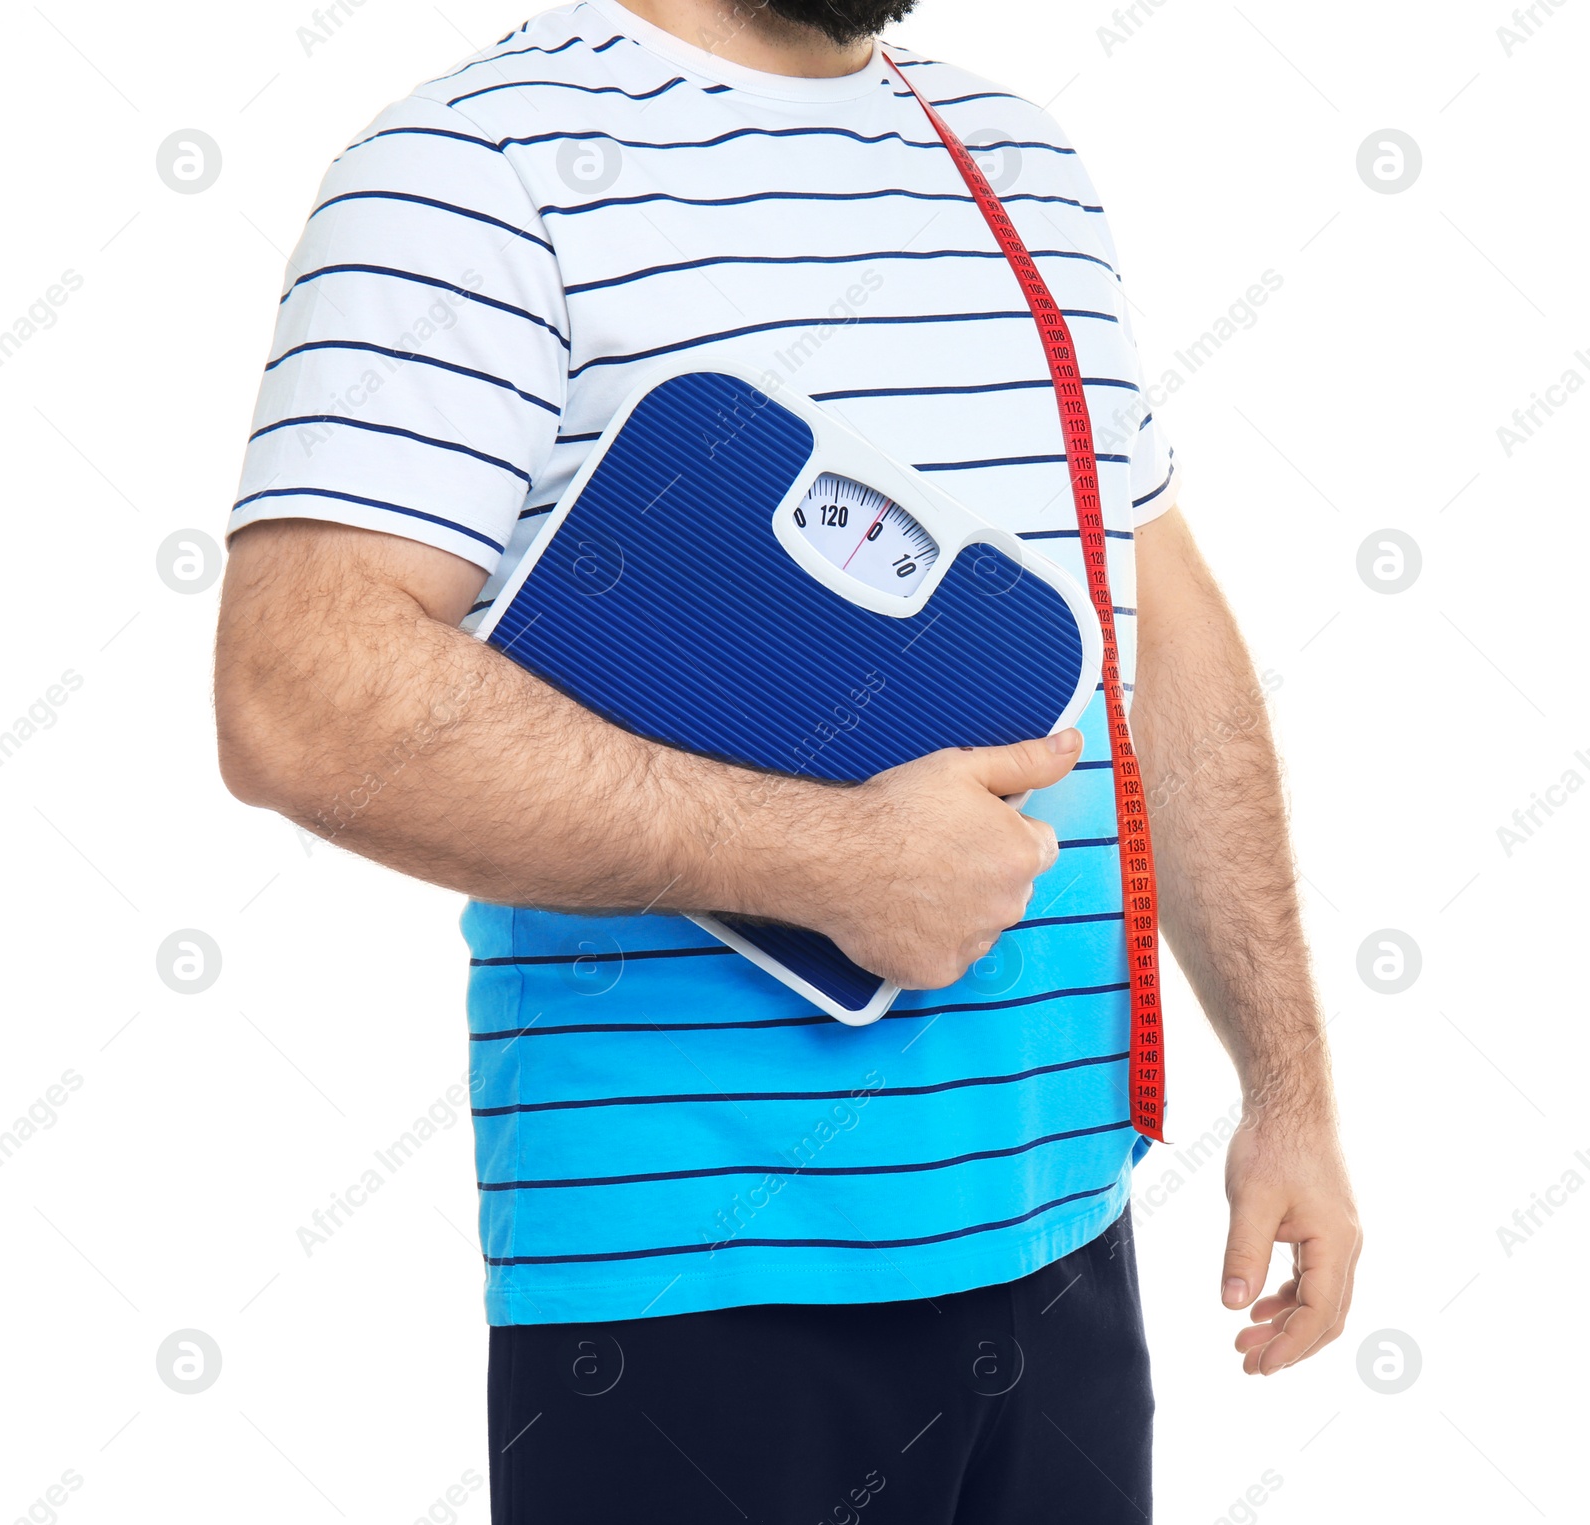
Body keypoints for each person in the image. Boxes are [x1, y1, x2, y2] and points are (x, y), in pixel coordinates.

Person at [214, 0, 1361, 1517]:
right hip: (689, 1297)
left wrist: (1288, 1082)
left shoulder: (1022, 164)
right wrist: (824, 860)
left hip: (1061, 1235)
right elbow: (300, 696)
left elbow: (1168, 635)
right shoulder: (475, 167)